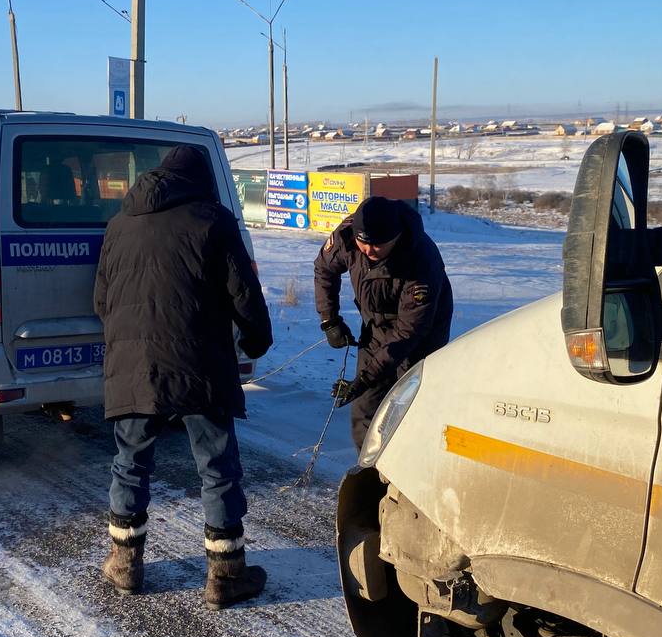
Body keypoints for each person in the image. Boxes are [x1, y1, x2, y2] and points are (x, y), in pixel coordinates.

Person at [94, 145, 273, 610]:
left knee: (130, 461)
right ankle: (225, 576)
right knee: (216, 467)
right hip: (201, 363)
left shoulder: (118, 224)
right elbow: (244, 294)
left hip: (135, 365)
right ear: (201, 179)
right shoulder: (213, 219)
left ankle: (124, 565)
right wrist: (256, 340)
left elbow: (101, 302)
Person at [313, 195, 452, 448]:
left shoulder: (421, 259)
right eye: (363, 243)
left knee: (408, 405)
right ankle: (371, 474)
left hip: (421, 335)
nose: (368, 250)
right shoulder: (347, 237)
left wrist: (365, 377)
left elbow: (408, 332)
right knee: (365, 409)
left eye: (378, 245)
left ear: (395, 237)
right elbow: (324, 269)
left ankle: (405, 475)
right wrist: (329, 319)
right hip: (376, 325)